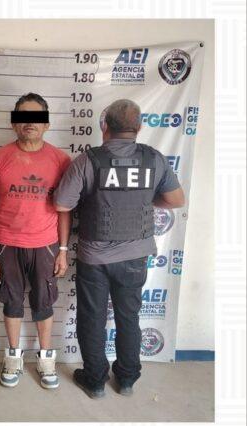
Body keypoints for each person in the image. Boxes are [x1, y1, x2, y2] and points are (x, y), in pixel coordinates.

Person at [54, 99, 185, 398]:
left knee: (92, 319)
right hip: (135, 257)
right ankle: (126, 380)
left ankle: (95, 381)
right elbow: (177, 200)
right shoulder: (154, 158)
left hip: (94, 257)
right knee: (129, 318)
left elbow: (61, 204)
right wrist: (145, 200)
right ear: (139, 127)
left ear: (104, 126)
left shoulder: (87, 160)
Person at [0, 93, 71, 389]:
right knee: (12, 301)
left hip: (46, 245)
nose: (29, 123)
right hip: (7, 244)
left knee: (44, 302)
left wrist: (62, 250)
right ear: (13, 123)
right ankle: (13, 357)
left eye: (36, 117)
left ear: (46, 124)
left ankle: (46, 360)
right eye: (23, 117)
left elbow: (64, 209)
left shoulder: (61, 160)